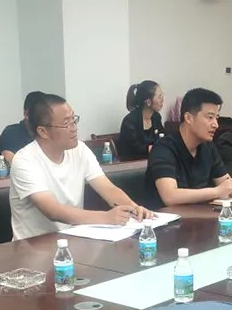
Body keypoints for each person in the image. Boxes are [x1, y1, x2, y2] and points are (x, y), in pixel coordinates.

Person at [10, 94, 152, 240]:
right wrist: (106, 218)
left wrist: (134, 209)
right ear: (43, 131)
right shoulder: (24, 161)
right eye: (66, 123)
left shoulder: (80, 149)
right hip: (33, 245)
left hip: (74, 237)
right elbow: (52, 211)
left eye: (74, 120)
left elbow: (108, 189)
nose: (74, 128)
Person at [143, 88, 232, 209]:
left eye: (217, 118)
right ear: (188, 118)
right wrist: (217, 192)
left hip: (200, 215)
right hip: (166, 218)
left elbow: (225, 182)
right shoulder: (163, 149)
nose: (216, 125)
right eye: (210, 117)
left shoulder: (208, 146)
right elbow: (170, 197)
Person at [118, 81, 166, 160]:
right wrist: (152, 148)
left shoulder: (156, 117)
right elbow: (133, 148)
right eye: (159, 97)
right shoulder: (130, 121)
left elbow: (163, 137)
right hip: (132, 163)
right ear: (148, 102)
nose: (162, 100)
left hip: (153, 160)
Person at [0, 91, 47, 164]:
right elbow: (11, 164)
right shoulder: (11, 133)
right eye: (41, 114)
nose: (46, 119)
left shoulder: (47, 132)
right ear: (26, 114)